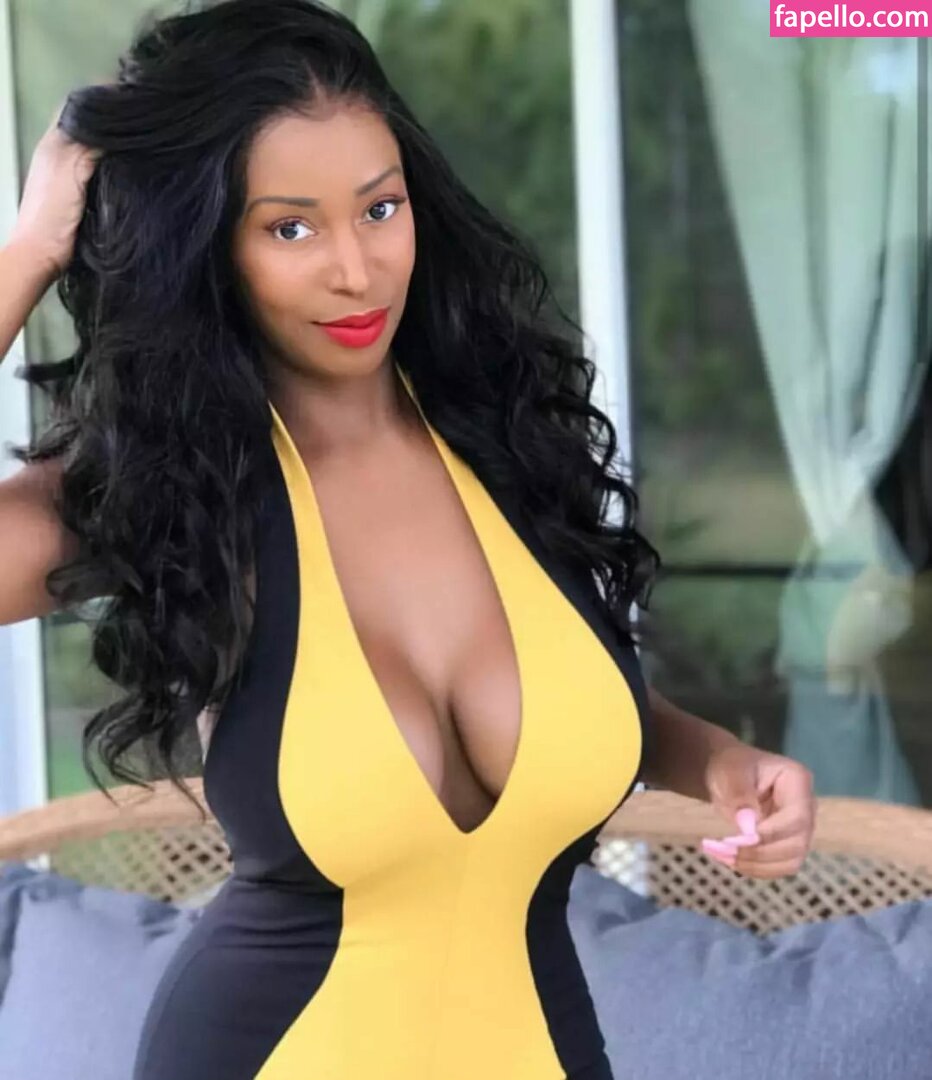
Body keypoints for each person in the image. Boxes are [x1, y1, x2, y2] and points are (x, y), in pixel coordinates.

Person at [0, 2, 816, 1077]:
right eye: (290, 228)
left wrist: (722, 762)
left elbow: (576, 693)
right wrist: (31, 247)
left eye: (379, 209)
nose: (357, 268)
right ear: (205, 248)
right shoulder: (168, 494)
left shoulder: (507, 438)